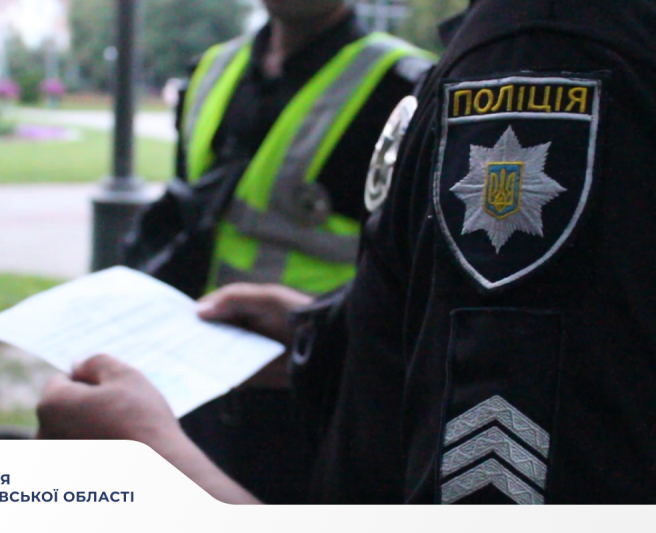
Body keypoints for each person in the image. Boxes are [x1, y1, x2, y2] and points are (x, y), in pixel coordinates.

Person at [39, 0, 656, 503]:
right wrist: (326, 335)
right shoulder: (540, 35)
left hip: (287, 436)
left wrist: (156, 469)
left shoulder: (541, 51)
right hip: (248, 384)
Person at [158, 0, 432, 504]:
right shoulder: (212, 68)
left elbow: (416, 275)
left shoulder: (409, 88)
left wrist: (320, 333)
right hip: (198, 378)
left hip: (315, 396)